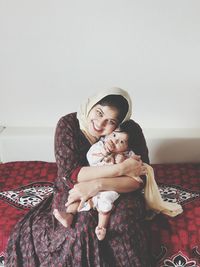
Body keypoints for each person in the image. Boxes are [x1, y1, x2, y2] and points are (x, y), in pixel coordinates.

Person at [6, 87, 152, 267]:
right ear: (91, 105)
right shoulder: (68, 124)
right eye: (99, 113)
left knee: (120, 224)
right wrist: (120, 168)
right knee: (79, 229)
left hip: (120, 190)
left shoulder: (130, 130)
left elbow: (141, 178)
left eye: (111, 121)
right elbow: (71, 175)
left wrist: (97, 185)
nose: (100, 124)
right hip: (73, 188)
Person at [54, 120, 143, 242]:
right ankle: (69, 215)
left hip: (110, 186)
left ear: (128, 147)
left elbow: (135, 171)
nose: (115, 141)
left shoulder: (127, 154)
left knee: (106, 203)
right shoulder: (100, 146)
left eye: (122, 141)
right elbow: (90, 158)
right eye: (115, 135)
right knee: (77, 195)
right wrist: (105, 152)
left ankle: (101, 227)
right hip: (91, 179)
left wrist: (122, 161)